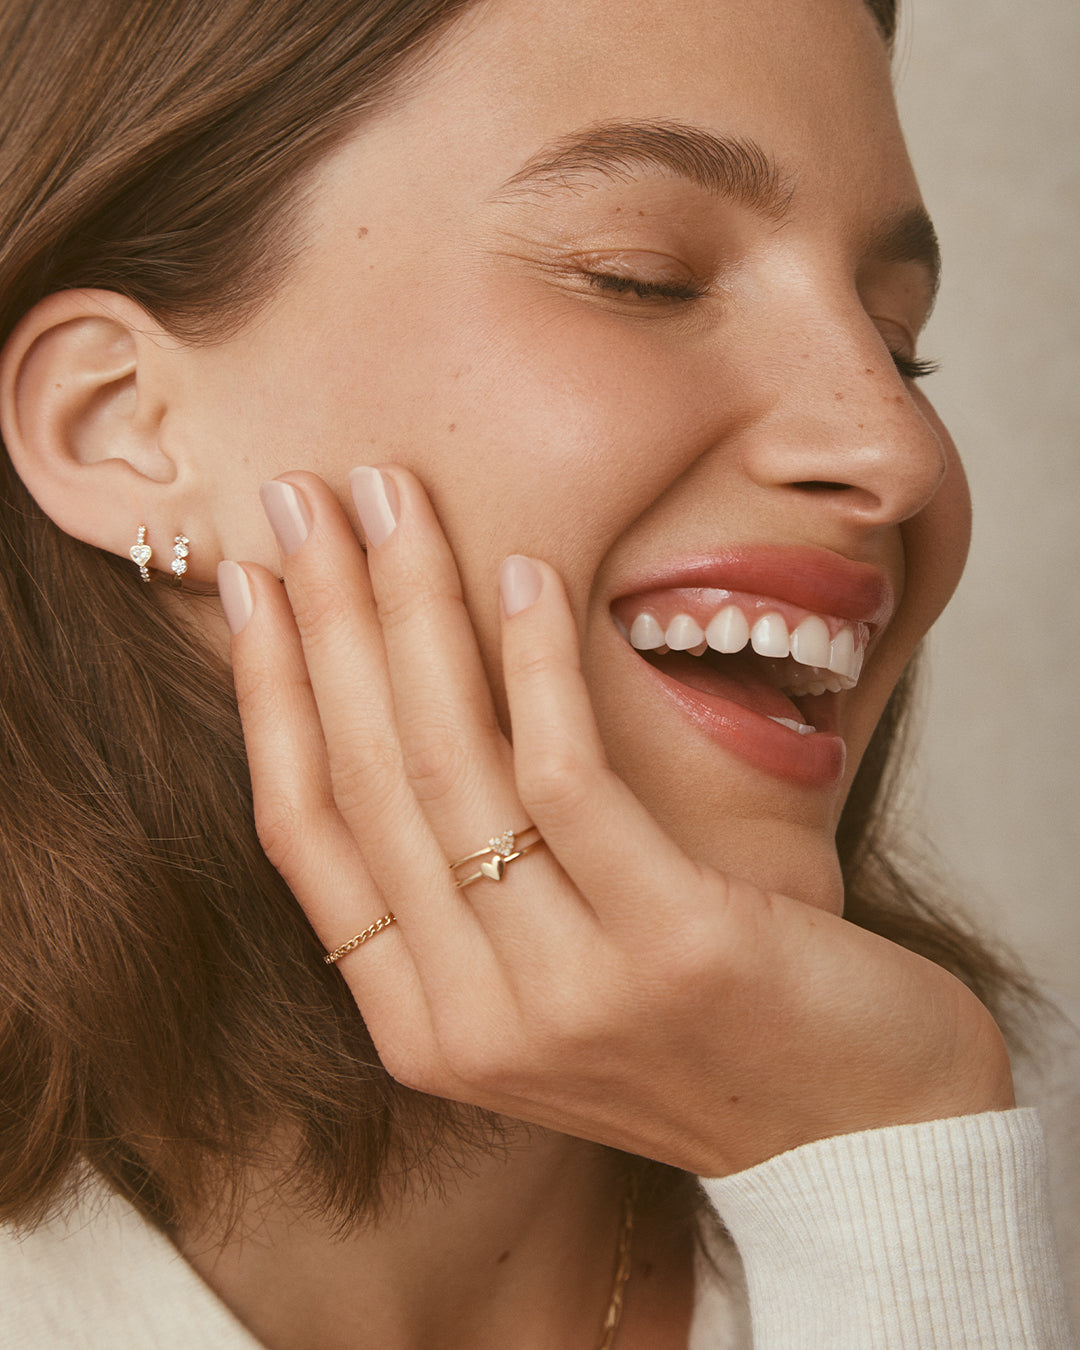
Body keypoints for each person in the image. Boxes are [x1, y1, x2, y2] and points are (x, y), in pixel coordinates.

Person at [0, 0, 1073, 1345]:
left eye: (903, 342)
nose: (896, 447)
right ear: (117, 425)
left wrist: (895, 1181)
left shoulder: (972, 1148)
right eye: (642, 275)